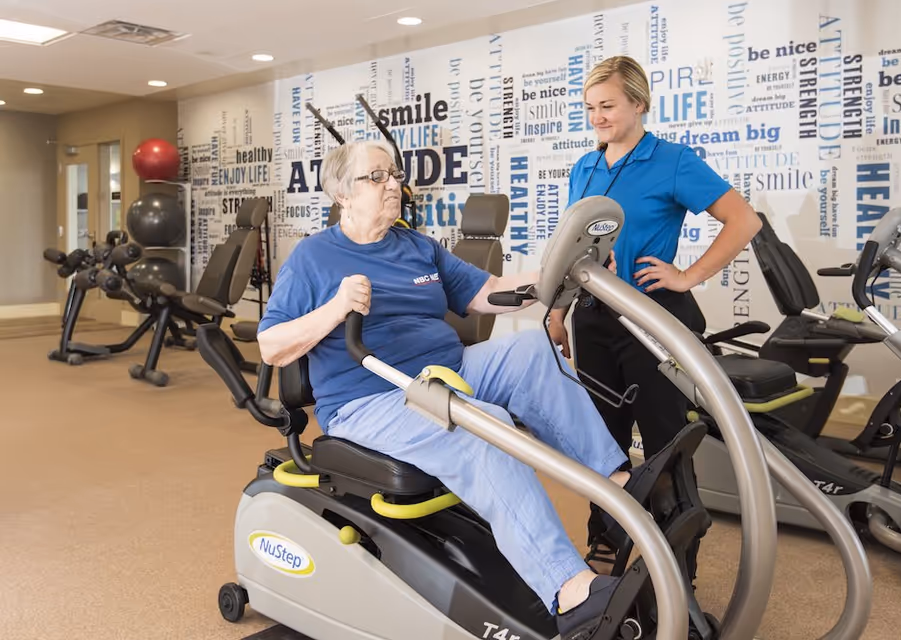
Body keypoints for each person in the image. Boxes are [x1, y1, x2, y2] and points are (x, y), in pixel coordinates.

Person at [256, 139, 687, 639]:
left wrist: (559, 276)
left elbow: (484, 293)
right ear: (341, 194)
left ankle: (616, 485)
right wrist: (335, 307)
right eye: (376, 177)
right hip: (369, 398)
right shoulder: (314, 256)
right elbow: (271, 346)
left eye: (393, 174)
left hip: (448, 368)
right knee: (486, 428)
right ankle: (570, 591)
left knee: (530, 351)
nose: (393, 184)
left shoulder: (415, 245)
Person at [547, 55, 762, 562]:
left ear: (639, 104)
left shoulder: (673, 161)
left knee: (666, 446)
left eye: (608, 105)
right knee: (602, 443)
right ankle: (606, 550)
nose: (597, 117)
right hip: (593, 319)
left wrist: (687, 276)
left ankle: (680, 563)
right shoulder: (587, 165)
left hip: (652, 320)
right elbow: (572, 247)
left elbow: (743, 220)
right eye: (590, 107)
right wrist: (558, 311)